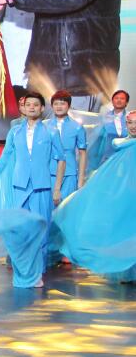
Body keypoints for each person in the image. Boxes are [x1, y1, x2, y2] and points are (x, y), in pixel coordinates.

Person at [0, 91, 65, 287]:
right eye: (28, 105)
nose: (32, 107)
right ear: (23, 108)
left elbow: (61, 159)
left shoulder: (51, 131)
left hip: (42, 187)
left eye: (36, 105)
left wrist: (57, 188)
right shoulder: (15, 132)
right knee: (19, 230)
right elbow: (4, 158)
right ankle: (22, 272)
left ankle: (37, 274)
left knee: (41, 231)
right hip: (19, 186)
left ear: (42, 109)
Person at [53, 111, 136, 283]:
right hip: (125, 198)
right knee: (124, 232)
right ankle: (127, 271)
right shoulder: (122, 147)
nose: (133, 126)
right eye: (130, 123)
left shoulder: (126, 147)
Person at [45, 90, 87, 203]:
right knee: (47, 208)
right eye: (56, 103)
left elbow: (83, 154)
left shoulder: (77, 127)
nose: (59, 106)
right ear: (52, 106)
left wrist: (81, 180)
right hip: (48, 172)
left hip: (69, 173)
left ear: (69, 105)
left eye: (62, 103)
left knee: (66, 207)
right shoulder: (44, 126)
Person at [90, 89, 130, 168]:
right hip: (107, 158)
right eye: (116, 98)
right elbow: (96, 139)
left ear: (126, 102)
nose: (119, 100)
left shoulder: (131, 118)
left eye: (122, 98)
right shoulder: (103, 118)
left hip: (127, 157)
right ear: (112, 101)